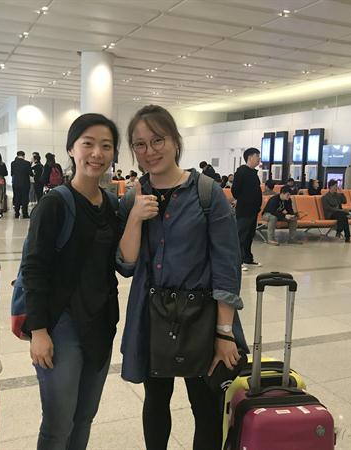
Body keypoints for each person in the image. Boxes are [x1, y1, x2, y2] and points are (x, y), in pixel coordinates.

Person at [118, 105, 245, 450]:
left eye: (158, 140)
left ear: (175, 140)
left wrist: (224, 332)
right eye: (140, 144)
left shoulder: (207, 193)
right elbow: (127, 264)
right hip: (151, 313)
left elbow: (227, 266)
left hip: (201, 315)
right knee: (156, 401)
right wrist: (135, 217)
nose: (150, 151)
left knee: (205, 405)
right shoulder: (133, 196)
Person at [23, 113, 121, 450]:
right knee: (58, 423)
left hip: (101, 323)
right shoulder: (54, 204)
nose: (97, 153)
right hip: (61, 325)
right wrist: (38, 332)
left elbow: (122, 262)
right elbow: (33, 269)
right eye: (88, 144)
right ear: (71, 149)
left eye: (106, 146)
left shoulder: (111, 204)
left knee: (84, 417)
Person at [231, 147, 263, 268]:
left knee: (249, 236)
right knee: (241, 236)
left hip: (253, 210)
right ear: (250, 157)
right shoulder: (241, 172)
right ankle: (237, 261)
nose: (259, 159)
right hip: (244, 210)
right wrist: (244, 199)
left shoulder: (253, 173)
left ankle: (247, 259)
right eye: (257, 156)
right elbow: (235, 190)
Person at [11, 150, 32, 218]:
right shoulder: (27, 163)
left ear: (17, 155)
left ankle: (17, 213)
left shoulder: (13, 163)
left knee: (16, 197)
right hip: (25, 183)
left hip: (16, 183)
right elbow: (30, 173)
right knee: (25, 198)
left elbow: (12, 173)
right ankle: (25, 213)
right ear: (23, 156)